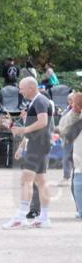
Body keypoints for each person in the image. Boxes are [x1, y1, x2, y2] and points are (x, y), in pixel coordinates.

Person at [4, 77, 54, 229]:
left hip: (38, 144)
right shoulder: (39, 101)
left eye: (22, 88)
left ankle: (21, 216)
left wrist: (23, 130)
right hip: (39, 143)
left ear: (31, 88)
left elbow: (43, 122)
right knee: (41, 181)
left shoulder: (40, 101)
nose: (20, 91)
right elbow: (37, 124)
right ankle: (44, 217)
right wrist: (21, 143)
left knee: (26, 180)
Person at [58, 92, 82, 220]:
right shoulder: (75, 113)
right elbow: (64, 129)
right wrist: (75, 111)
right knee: (77, 183)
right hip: (79, 160)